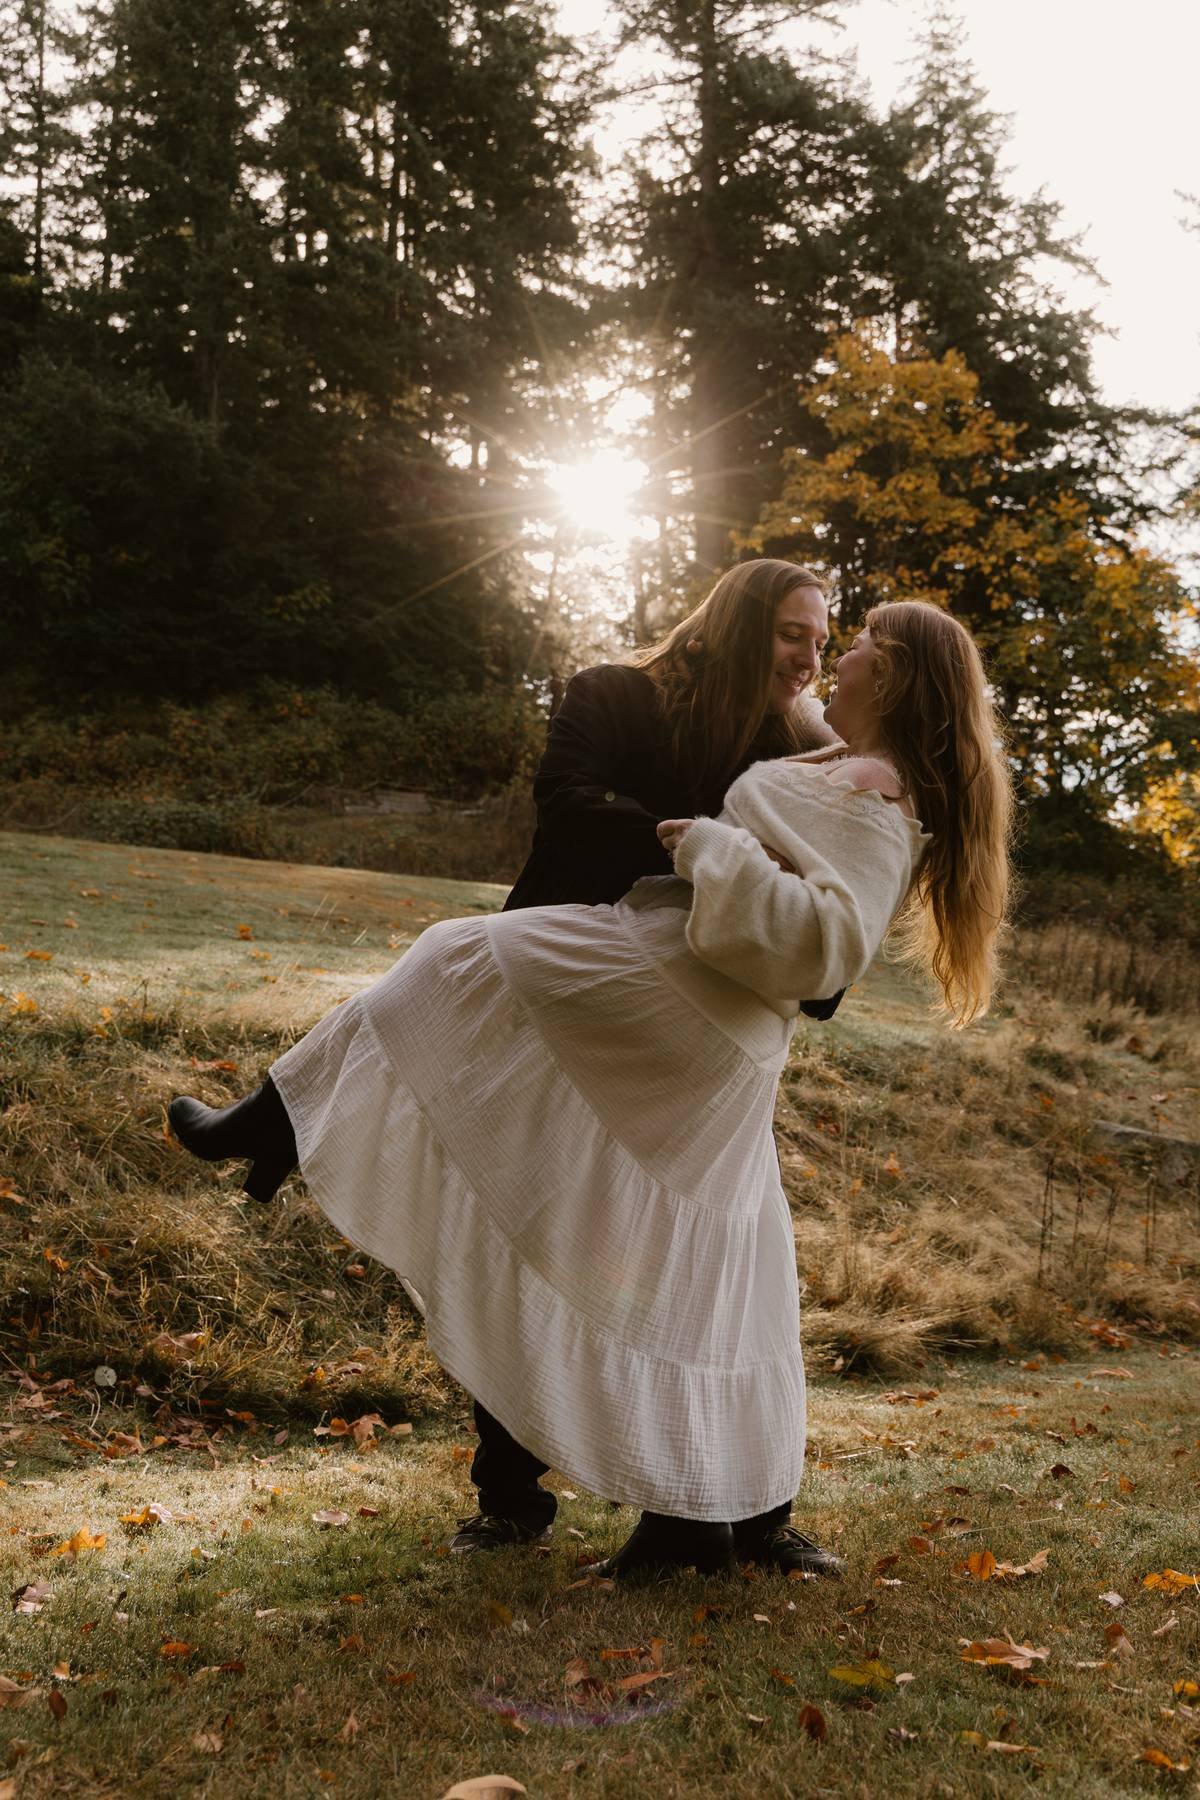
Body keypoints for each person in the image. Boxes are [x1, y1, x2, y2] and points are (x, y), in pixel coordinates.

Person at [169, 597, 1012, 1585]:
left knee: (455, 958)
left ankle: (273, 1124)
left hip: (677, 994)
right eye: (811, 636)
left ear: (901, 675)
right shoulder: (837, 752)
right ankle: (692, 1523)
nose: (834, 657)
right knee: (696, 1257)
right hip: (698, 1000)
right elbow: (745, 751)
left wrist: (713, 848)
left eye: (856, 642)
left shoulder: (873, 787)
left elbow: (829, 945)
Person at [465, 559, 845, 1576]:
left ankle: (748, 1508)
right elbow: (572, 816)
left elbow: (825, 920)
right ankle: (508, 1495)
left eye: (822, 640)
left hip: (699, 1057)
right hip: (568, 1019)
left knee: (726, 1271)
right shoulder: (611, 692)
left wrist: (766, 844)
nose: (811, 658)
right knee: (532, 1239)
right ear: (732, 624)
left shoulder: (791, 758)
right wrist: (711, 853)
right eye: (792, 635)